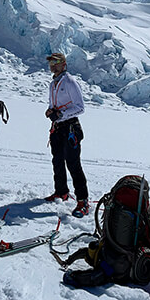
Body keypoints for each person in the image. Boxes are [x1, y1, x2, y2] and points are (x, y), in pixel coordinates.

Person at [44, 52, 90, 217]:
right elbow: (55, 104)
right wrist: (51, 112)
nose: (53, 65)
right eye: (51, 62)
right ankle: (61, 191)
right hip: (58, 128)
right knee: (57, 160)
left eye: (56, 62)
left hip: (71, 127)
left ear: (64, 64)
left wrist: (61, 115)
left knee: (73, 163)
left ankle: (83, 201)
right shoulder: (53, 84)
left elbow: (80, 107)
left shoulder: (70, 82)